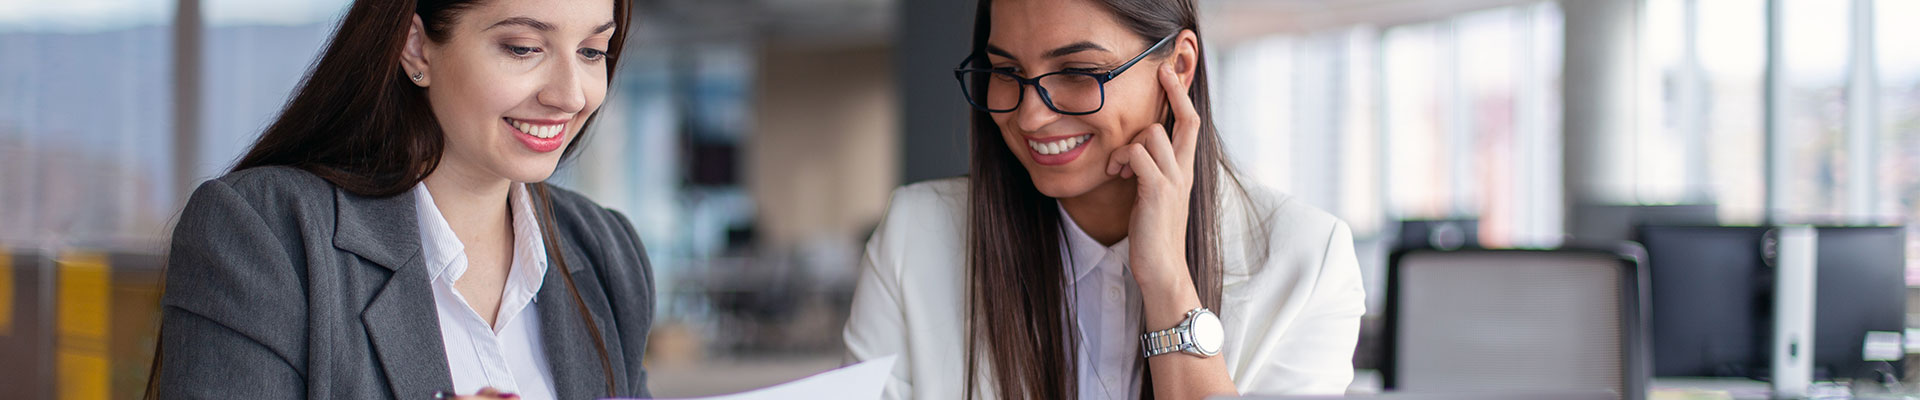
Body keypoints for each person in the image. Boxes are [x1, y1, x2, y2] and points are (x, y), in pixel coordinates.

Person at [841, 0, 1365, 398]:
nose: (1029, 116)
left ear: (1179, 68)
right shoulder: (913, 237)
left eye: (1077, 73)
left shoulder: (1307, 260)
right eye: (1005, 72)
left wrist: (1167, 281)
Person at [149, 0, 652, 399]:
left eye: (591, 51)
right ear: (416, 48)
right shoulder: (266, 233)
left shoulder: (605, 250)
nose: (569, 94)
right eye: (523, 47)